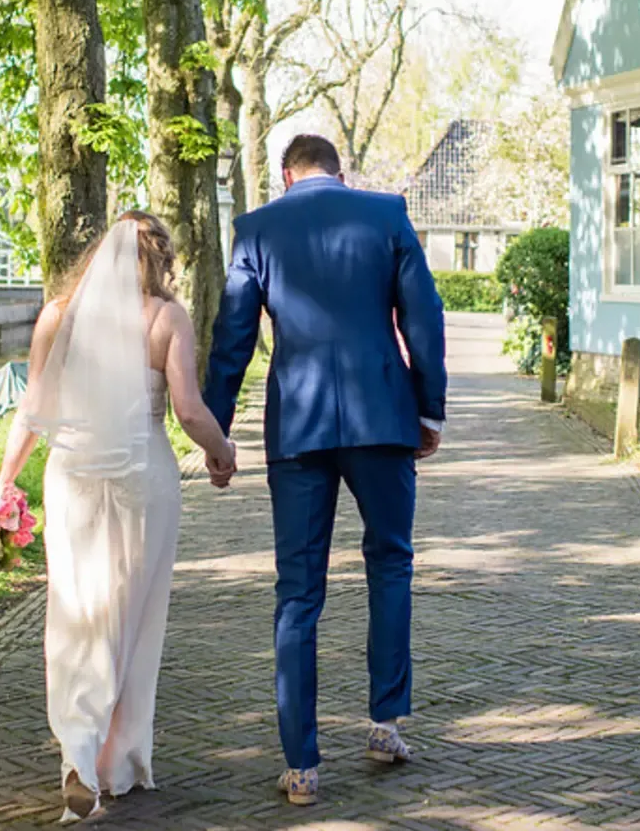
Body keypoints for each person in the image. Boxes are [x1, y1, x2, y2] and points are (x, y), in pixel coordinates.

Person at [201, 134, 448, 807]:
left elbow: (233, 338)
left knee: (298, 591)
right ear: (342, 172)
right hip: (382, 418)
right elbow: (423, 316)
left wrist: (216, 431)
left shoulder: (256, 229)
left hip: (299, 426)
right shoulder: (386, 215)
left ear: (286, 175)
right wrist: (431, 411)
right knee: (390, 562)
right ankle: (384, 723)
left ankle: (302, 766)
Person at [0, 211, 237, 824]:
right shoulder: (165, 317)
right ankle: (114, 761)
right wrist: (223, 453)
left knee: (74, 612)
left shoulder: (57, 313)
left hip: (71, 476)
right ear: (160, 259)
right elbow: (188, 409)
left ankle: (81, 752)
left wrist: (4, 481)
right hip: (141, 480)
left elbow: (31, 408)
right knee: (132, 615)